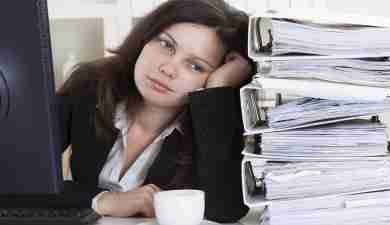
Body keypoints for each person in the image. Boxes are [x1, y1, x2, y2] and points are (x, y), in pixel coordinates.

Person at [57, 0, 253, 222]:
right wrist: (102, 200)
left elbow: (225, 210)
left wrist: (218, 87)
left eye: (195, 66)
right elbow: (19, 177)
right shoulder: (90, 86)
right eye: (166, 45)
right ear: (146, 37)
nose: (167, 69)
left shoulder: (214, 124)